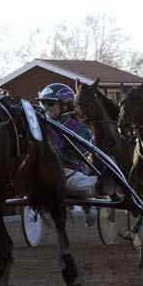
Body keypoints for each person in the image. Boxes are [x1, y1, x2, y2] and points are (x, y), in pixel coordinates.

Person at [38, 83, 112, 221]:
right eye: (43, 103)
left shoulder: (80, 128)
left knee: (84, 184)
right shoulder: (41, 126)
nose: (46, 108)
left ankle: (101, 189)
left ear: (65, 106)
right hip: (45, 172)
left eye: (50, 103)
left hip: (71, 171)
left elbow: (82, 153)